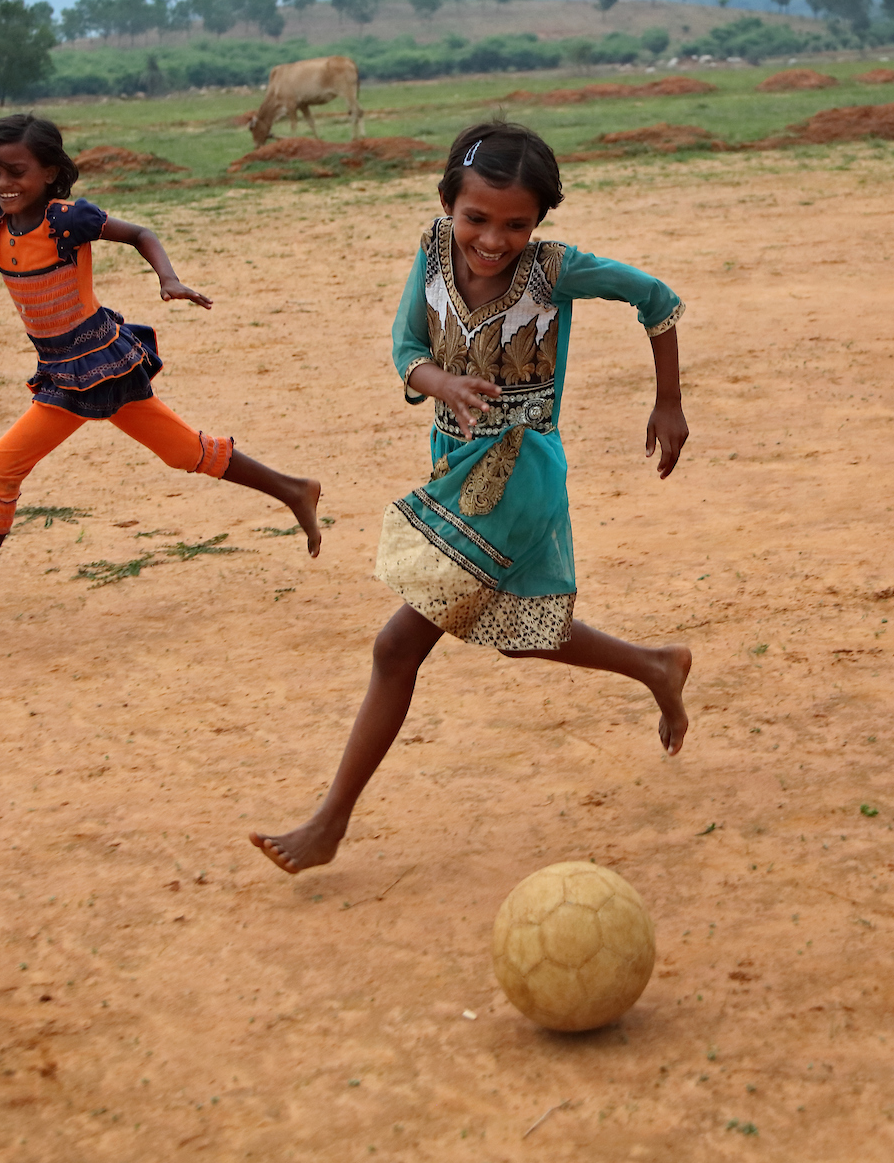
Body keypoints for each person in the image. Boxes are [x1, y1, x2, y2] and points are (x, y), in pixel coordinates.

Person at [250, 121, 692, 873]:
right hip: (452, 465)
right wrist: (442, 384)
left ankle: (329, 825)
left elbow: (657, 299)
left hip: (517, 476)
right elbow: (406, 350)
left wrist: (669, 403)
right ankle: (656, 666)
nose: (493, 239)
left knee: (397, 646)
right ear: (449, 203)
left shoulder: (555, 271)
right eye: (477, 218)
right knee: (519, 635)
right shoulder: (430, 252)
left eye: (517, 224)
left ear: (540, 221)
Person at [0, 113, 320, 621]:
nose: (4, 184)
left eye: (16, 172)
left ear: (51, 172)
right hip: (62, 368)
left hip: (99, 363)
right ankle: (294, 489)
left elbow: (141, 232)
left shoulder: (66, 218)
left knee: (1, 466)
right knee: (184, 451)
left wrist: (169, 278)